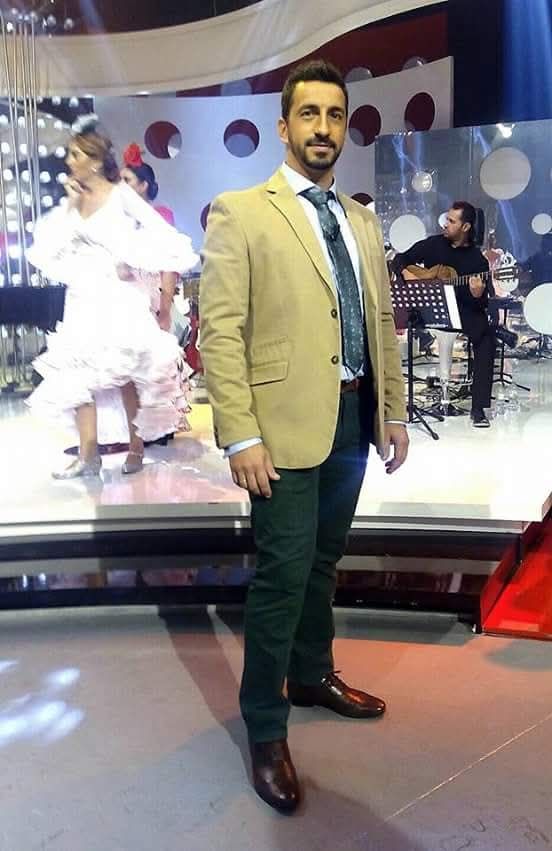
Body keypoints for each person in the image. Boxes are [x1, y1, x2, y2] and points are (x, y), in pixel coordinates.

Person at [200, 59, 408, 813]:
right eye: (310, 114)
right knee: (283, 575)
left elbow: (380, 320)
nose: (324, 128)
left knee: (323, 560)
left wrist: (392, 411)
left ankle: (312, 673)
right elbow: (220, 332)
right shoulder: (241, 212)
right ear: (284, 126)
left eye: (335, 115)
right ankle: (265, 727)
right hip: (280, 428)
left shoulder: (361, 219)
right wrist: (238, 435)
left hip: (352, 417)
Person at [26, 117, 198, 478]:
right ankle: (89, 455)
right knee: (78, 374)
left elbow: (160, 231)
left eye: (76, 155)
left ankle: (136, 448)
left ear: (94, 160)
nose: (69, 161)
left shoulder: (120, 195)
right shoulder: (73, 200)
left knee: (126, 374)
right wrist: (71, 206)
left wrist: (132, 257)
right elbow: (48, 249)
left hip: (117, 297)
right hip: (81, 298)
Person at [393, 202, 496, 428]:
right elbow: (399, 259)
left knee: (486, 338)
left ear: (465, 227)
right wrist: (408, 274)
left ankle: (478, 408)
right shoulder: (434, 244)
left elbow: (481, 303)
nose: (445, 224)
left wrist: (477, 294)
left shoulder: (477, 260)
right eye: (446, 219)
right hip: (431, 308)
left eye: (451, 221)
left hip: (462, 312)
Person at [120, 143, 194, 437]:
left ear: (143, 185)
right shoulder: (120, 222)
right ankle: (131, 429)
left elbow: (169, 266)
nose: (121, 187)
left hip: (152, 298)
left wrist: (164, 307)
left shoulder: (159, 217)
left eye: (127, 180)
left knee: (155, 363)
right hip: (125, 301)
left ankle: (160, 425)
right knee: (128, 364)